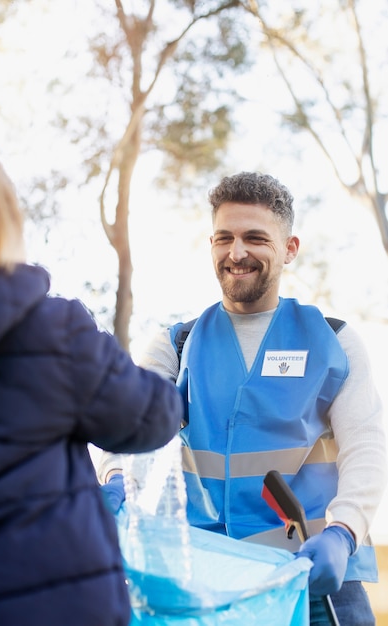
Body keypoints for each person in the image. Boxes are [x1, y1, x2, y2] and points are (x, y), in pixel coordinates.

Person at [98, 171, 388, 626]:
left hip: (314, 575)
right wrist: (117, 477)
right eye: (224, 238)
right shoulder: (175, 346)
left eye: (255, 238)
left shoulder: (335, 341)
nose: (237, 253)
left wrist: (344, 532)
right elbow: (125, 424)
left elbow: (366, 447)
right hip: (213, 579)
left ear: (289, 248)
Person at [0, 141, 183, 626]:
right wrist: (93, 346)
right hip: (59, 602)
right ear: (6, 222)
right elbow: (152, 418)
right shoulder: (53, 329)